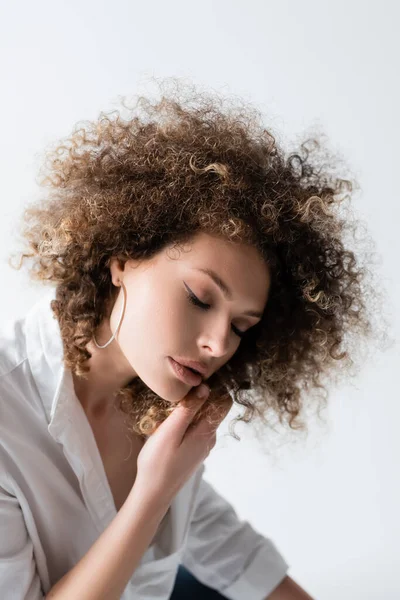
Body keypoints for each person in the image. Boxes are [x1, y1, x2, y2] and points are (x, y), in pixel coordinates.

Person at [1, 80, 385, 599]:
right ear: (124, 259)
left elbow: (232, 554)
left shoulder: (155, 408)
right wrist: (153, 492)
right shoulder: (9, 417)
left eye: (241, 327)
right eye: (201, 298)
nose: (219, 344)